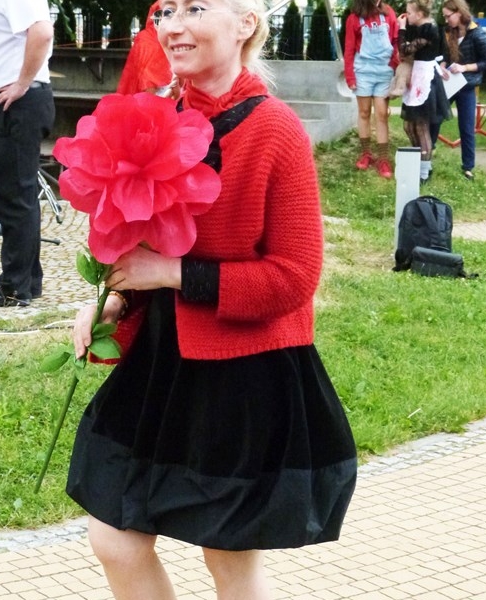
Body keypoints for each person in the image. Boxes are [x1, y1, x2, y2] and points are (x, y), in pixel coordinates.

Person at [67, 1, 358, 599]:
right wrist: (116, 300)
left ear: (245, 23)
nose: (173, 26)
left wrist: (173, 274)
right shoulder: (159, 115)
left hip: (243, 377)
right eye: (166, 11)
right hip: (160, 364)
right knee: (114, 538)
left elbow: (294, 277)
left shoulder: (276, 129)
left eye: (195, 7)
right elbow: (146, 245)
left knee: (227, 557)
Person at [0, 0, 55, 308]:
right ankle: (28, 280)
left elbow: (42, 32)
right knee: (17, 194)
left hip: (17, 103)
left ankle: (13, 286)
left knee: (13, 196)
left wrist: (21, 84)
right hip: (6, 102)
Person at [430, 0, 486, 181]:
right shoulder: (449, 31)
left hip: (467, 86)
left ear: (459, 13)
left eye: (448, 16)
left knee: (466, 127)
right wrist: (443, 66)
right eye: (444, 17)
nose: (446, 20)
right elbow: (445, 55)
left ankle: (468, 167)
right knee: (434, 117)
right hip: (449, 84)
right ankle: (427, 154)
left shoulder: (477, 34)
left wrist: (465, 68)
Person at [344, 0, 399, 179]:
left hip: (384, 71)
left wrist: (394, 64)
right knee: (364, 112)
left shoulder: (388, 13)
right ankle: (366, 153)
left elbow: (396, 41)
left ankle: (383, 159)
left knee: (382, 114)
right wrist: (350, 76)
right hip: (363, 72)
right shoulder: (354, 18)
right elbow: (349, 49)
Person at [398, 0, 451, 183]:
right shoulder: (421, 28)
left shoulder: (428, 29)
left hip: (426, 79)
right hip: (418, 76)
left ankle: (424, 172)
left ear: (419, 14)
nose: (406, 16)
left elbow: (404, 50)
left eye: (409, 13)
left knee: (421, 126)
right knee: (409, 125)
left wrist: (401, 28)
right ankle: (418, 160)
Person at [116, 1, 175, 95]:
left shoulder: (174, 36)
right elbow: (146, 78)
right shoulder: (145, 38)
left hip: (169, 89)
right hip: (152, 92)